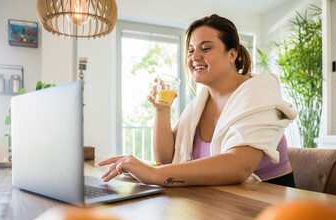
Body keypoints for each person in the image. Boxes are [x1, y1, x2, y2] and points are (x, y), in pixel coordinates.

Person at [98, 14, 298, 187]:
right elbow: (166, 158)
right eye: (191, 50)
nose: (195, 57)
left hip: (269, 202)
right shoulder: (198, 105)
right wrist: (162, 110)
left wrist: (154, 175)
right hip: (220, 199)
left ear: (232, 55)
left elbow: (239, 166)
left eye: (206, 48)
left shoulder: (258, 93)